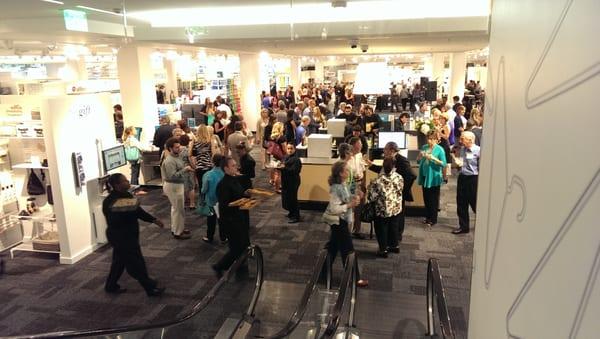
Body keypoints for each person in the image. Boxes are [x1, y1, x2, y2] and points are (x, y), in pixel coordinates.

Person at [102, 173, 166, 296]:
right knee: (136, 264)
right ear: (117, 185)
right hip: (122, 238)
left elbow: (138, 212)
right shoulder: (112, 201)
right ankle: (150, 287)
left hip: (127, 235)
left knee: (119, 262)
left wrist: (154, 220)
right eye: (124, 180)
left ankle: (110, 286)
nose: (127, 182)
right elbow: (121, 218)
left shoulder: (125, 196)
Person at [323, 161, 368, 288]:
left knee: (332, 248)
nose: (349, 173)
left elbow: (346, 198)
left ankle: (322, 274)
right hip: (339, 222)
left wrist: (355, 196)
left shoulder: (342, 184)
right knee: (349, 250)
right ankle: (354, 278)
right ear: (341, 173)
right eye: (347, 171)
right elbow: (334, 208)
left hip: (341, 221)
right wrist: (350, 205)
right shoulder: (336, 188)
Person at [212, 156, 252, 277]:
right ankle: (219, 266)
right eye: (233, 166)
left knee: (244, 245)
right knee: (236, 249)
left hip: (240, 217)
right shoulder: (223, 185)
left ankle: (241, 271)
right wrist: (239, 202)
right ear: (226, 169)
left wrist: (246, 194)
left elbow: (238, 195)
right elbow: (224, 206)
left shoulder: (235, 180)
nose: (237, 167)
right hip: (231, 221)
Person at [367, 157, 403, 257]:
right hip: (396, 207)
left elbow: (371, 197)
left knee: (381, 228)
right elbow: (401, 190)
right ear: (394, 167)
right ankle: (394, 246)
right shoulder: (399, 177)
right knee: (394, 226)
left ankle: (383, 250)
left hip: (382, 209)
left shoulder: (377, 181)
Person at [160, 137, 194, 239]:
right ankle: (178, 232)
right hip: (173, 185)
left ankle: (177, 228)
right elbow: (172, 176)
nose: (179, 149)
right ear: (170, 148)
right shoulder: (169, 160)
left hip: (177, 185)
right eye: (176, 147)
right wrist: (185, 169)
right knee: (178, 210)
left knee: (176, 209)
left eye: (179, 147)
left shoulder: (177, 157)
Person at [417, 131, 447, 227]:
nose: (429, 141)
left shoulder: (440, 149)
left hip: (434, 176)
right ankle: (428, 217)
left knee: (433, 199)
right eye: (428, 138)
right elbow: (418, 161)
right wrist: (420, 156)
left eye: (431, 139)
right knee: (426, 198)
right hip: (425, 175)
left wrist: (433, 158)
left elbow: (444, 164)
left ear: (436, 139)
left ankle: (433, 219)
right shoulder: (425, 147)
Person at [452, 131, 480, 234]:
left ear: (470, 140)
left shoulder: (479, 151)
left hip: (473, 179)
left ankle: (483, 225)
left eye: (462, 139)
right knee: (461, 203)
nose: (460, 141)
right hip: (463, 177)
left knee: (475, 203)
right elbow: (462, 162)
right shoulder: (463, 149)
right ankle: (464, 227)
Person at [201, 154, 227, 244]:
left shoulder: (208, 175)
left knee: (211, 220)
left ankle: (209, 237)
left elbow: (204, 189)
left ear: (212, 162)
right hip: (223, 201)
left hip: (211, 201)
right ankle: (223, 237)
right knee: (222, 219)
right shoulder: (225, 174)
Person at [347, 137, 370, 239]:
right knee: (350, 210)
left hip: (360, 184)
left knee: (359, 209)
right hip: (351, 186)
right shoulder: (347, 158)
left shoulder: (360, 155)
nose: (361, 147)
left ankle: (357, 230)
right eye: (359, 145)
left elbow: (364, 170)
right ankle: (347, 232)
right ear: (352, 146)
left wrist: (364, 185)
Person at [281, 143, 302, 223]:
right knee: (287, 198)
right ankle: (291, 212)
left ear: (294, 149)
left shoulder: (296, 159)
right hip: (286, 181)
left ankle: (296, 216)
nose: (289, 150)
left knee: (293, 199)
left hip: (293, 181)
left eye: (291, 148)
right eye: (288, 148)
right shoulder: (286, 157)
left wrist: (284, 168)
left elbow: (294, 171)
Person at [193, 125, 214, 197]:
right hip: (208, 166)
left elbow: (191, 154)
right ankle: (209, 204)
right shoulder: (210, 141)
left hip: (199, 166)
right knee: (209, 186)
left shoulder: (195, 142)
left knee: (201, 185)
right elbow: (213, 153)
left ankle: (202, 202)